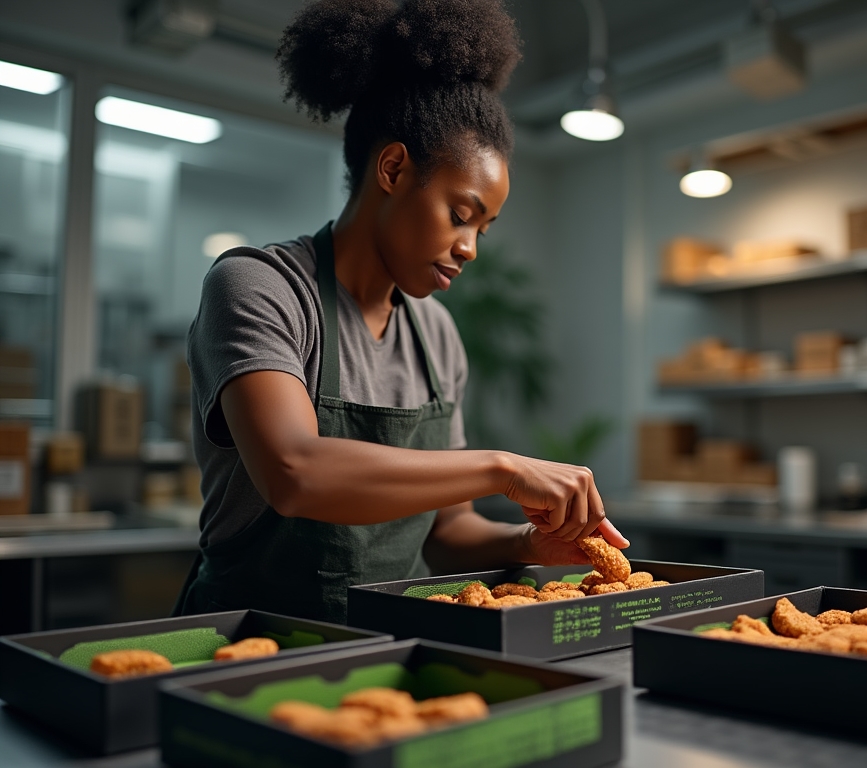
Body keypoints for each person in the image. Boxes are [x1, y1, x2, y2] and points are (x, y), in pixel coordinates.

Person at [174, 0, 627, 624]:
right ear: (393, 168)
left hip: (395, 641)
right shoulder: (260, 287)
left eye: (484, 229)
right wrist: (503, 468)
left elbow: (446, 532)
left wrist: (529, 545)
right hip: (250, 640)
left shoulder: (437, 335)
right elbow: (295, 471)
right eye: (460, 214)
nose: (469, 248)